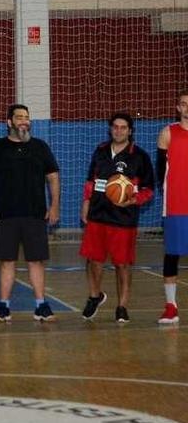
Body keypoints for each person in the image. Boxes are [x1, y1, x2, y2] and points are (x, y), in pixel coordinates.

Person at [0, 104, 60, 323]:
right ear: (9, 122)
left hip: (35, 214)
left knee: (36, 261)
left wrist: (54, 206)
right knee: (6, 261)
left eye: (27, 117)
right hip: (6, 214)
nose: (24, 121)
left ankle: (41, 305)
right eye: (19, 117)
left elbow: (53, 177)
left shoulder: (40, 147)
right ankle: (3, 306)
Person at [79, 112, 154, 323]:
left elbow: (148, 189)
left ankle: (122, 306)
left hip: (123, 219)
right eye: (115, 127)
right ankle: (95, 296)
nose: (118, 130)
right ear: (110, 129)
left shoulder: (139, 156)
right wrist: (86, 204)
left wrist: (133, 200)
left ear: (130, 131)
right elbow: (90, 182)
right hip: (97, 215)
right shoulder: (100, 151)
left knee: (122, 264)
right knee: (93, 260)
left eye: (123, 127)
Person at [156, 89, 188, 325]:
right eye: (184, 104)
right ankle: (171, 306)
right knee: (172, 255)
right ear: (178, 108)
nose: (187, 107)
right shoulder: (168, 132)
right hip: (176, 204)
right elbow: (160, 171)